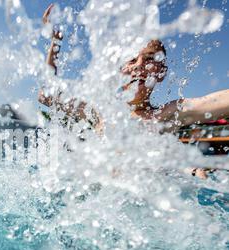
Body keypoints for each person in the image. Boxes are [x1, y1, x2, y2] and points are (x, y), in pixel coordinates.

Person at [39, 4, 229, 177]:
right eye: (131, 60)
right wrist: (55, 43)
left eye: (148, 59)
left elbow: (214, 101)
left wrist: (193, 172)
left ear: (161, 72)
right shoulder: (100, 112)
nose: (139, 66)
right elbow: (46, 96)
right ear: (122, 71)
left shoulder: (166, 114)